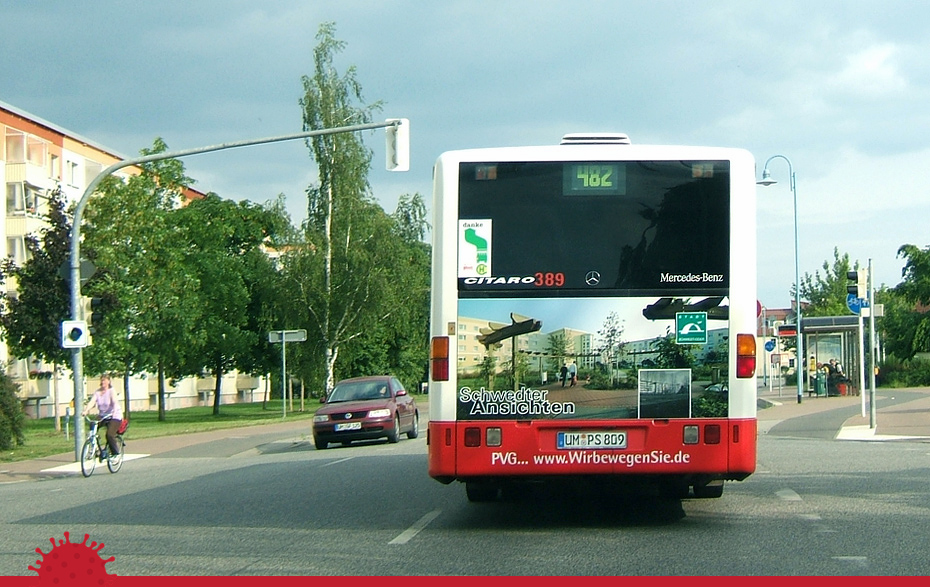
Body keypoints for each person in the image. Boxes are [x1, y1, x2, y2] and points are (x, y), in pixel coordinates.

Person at [82, 374, 123, 456]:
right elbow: (92, 402)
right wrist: (86, 410)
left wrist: (115, 411)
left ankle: (115, 452)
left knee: (109, 434)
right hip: (103, 415)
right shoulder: (97, 392)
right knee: (93, 424)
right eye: (101, 380)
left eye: (104, 380)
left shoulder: (111, 391)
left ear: (108, 381)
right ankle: (94, 447)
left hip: (114, 416)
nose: (102, 382)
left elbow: (115, 402)